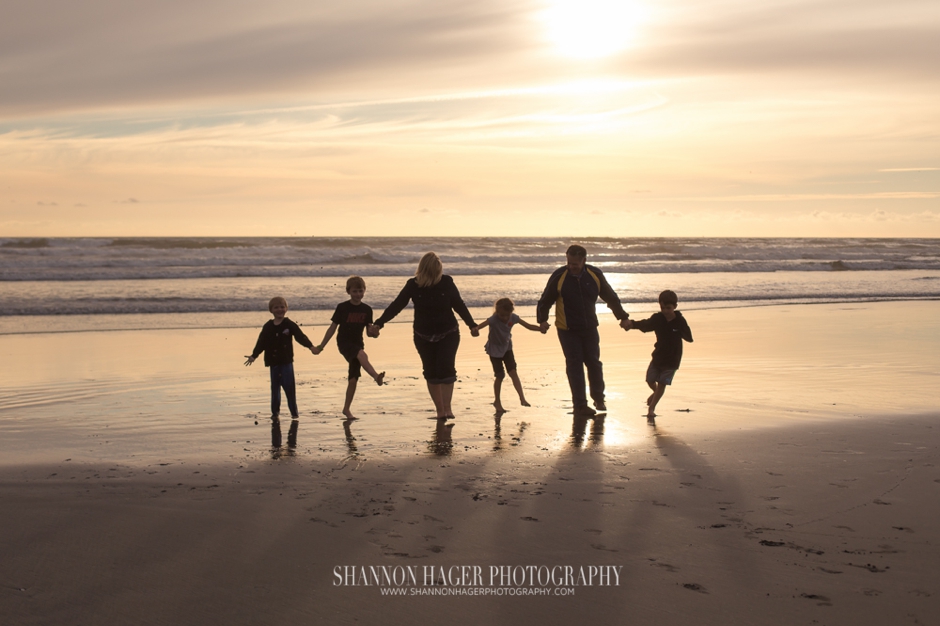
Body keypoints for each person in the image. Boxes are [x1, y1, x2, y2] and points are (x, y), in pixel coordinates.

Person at [371, 252, 477, 420]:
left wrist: (471, 325)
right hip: (422, 335)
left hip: (448, 332)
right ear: (427, 270)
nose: (438, 274)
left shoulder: (447, 282)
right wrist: (379, 323)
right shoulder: (413, 285)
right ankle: (440, 411)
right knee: (431, 372)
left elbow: (459, 304)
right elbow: (397, 305)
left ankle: (448, 409)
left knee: (447, 369)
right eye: (435, 270)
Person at [537, 244, 631, 417]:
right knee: (574, 365)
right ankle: (580, 405)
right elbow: (545, 300)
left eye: (575, 264)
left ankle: (598, 398)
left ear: (584, 261)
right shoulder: (559, 276)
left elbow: (610, 297)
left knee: (594, 362)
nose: (571, 267)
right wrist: (542, 320)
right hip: (567, 329)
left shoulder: (594, 275)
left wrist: (622, 317)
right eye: (569, 262)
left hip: (589, 328)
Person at [312, 276, 385, 419]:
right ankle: (376, 377)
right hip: (344, 343)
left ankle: (346, 409)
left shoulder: (367, 309)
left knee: (353, 378)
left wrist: (375, 333)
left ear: (365, 291)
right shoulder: (342, 307)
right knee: (362, 355)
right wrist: (321, 346)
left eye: (361, 291)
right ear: (348, 291)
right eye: (355, 291)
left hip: (358, 342)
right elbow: (332, 328)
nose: (358, 294)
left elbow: (370, 333)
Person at [244, 296, 315, 422]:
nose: (279, 309)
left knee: (289, 389)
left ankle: (294, 413)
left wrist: (311, 346)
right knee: (275, 389)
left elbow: (300, 336)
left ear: (286, 308)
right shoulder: (268, 326)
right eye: (276, 307)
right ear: (271, 310)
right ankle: (275, 413)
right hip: (273, 363)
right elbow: (261, 342)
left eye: (282, 307)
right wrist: (254, 355)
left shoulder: (289, 324)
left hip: (286, 362)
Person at [627, 289, 693, 421]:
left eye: (668, 308)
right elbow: (645, 325)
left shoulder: (679, 320)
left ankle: (651, 408)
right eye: (663, 308)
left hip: (673, 358)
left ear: (675, 307)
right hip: (658, 355)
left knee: (662, 383)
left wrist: (683, 333)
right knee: (650, 379)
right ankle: (655, 392)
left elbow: (689, 337)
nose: (665, 311)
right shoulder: (658, 318)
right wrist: (631, 324)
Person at [471, 297, 541, 415]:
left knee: (513, 372)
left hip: (507, 348)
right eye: (502, 315)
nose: (504, 318)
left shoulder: (513, 317)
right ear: (497, 312)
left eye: (506, 315)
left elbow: (528, 326)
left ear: (511, 312)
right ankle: (497, 401)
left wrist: (540, 329)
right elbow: (478, 326)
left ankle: (522, 398)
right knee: (500, 375)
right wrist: (475, 330)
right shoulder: (493, 319)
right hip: (494, 350)